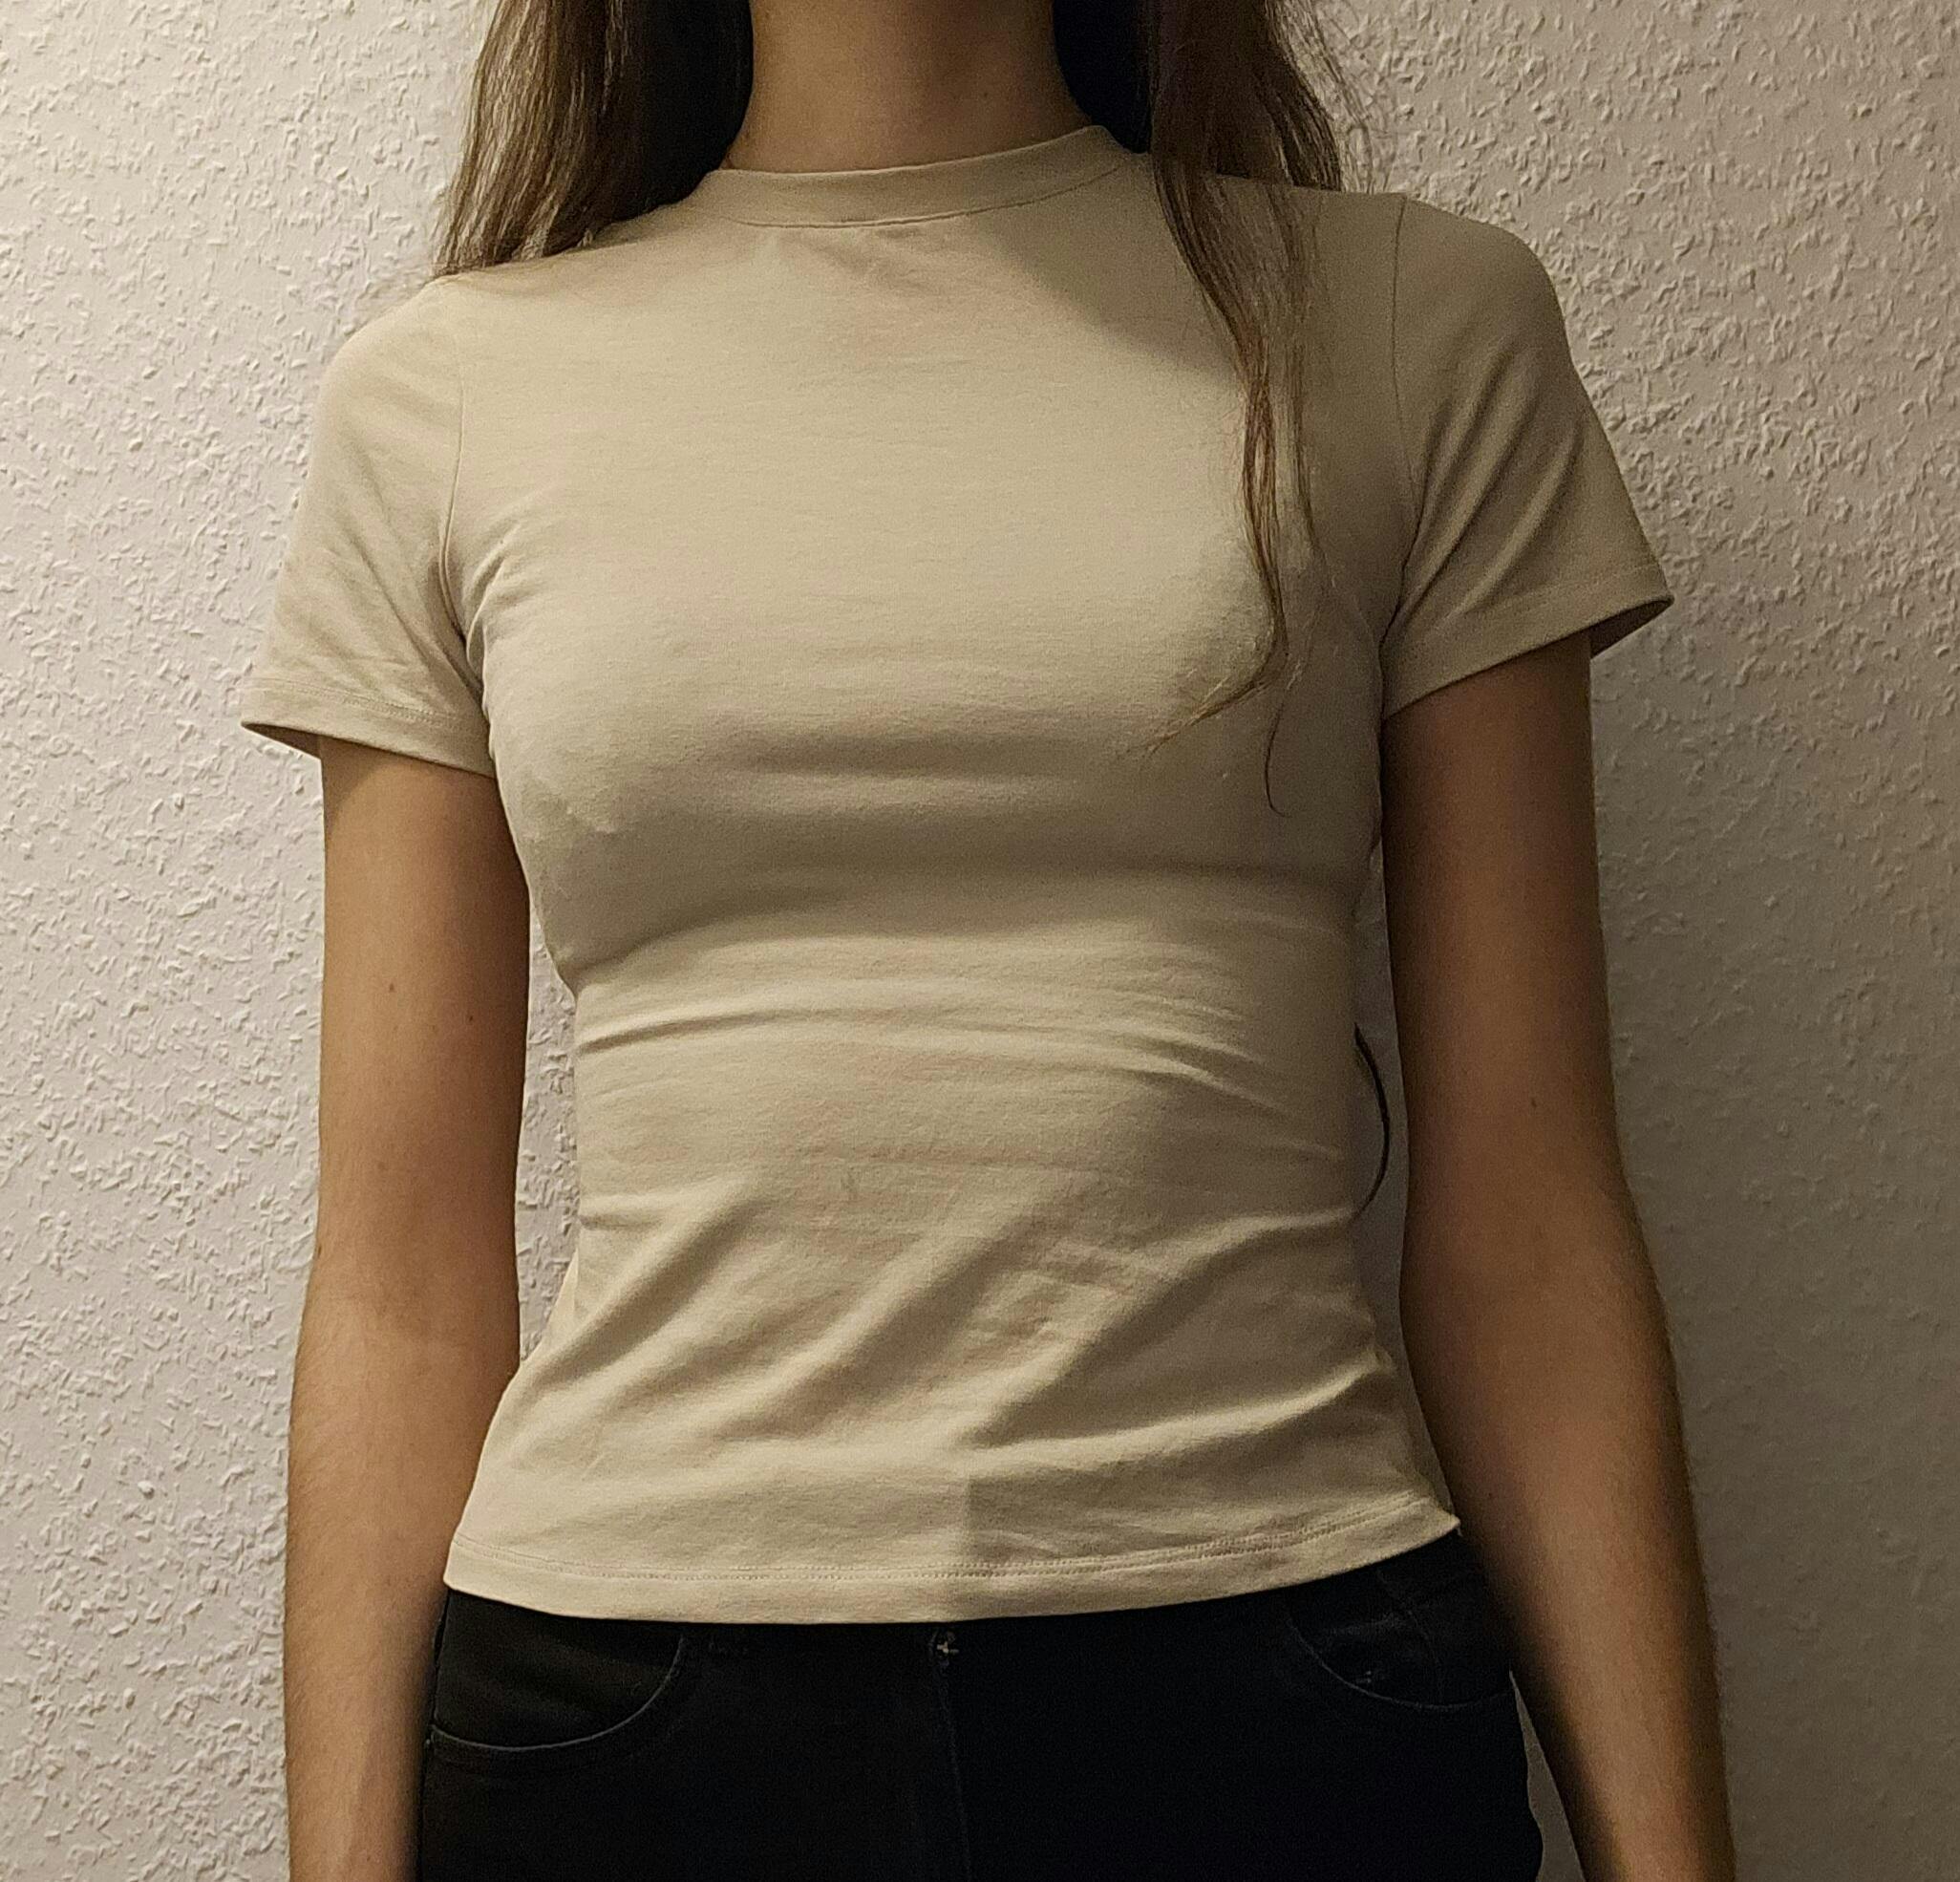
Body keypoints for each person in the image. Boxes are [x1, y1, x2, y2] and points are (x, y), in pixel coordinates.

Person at [236, 4, 1739, 1879]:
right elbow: (401, 1271)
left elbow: (1528, 1211)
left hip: (1280, 1689)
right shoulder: (446, 395)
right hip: (632, 1722)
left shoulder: (1418, 328)